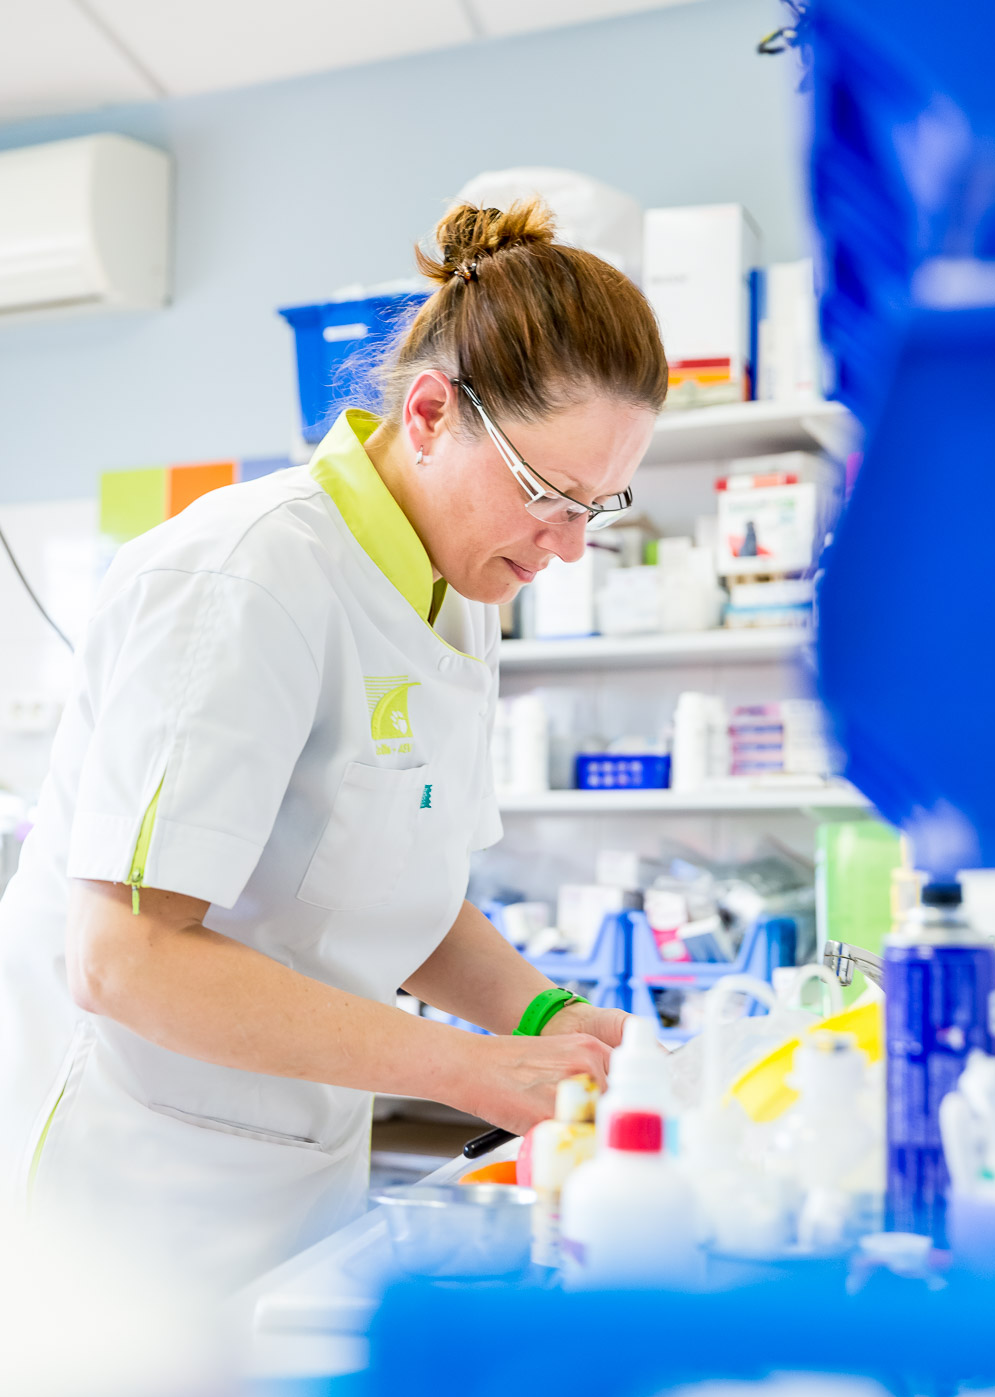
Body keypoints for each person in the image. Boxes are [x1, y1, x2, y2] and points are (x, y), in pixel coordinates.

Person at [0, 200, 669, 1288]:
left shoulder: (457, 591)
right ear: (426, 412)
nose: (568, 546)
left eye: (597, 506)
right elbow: (122, 957)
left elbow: (388, 886)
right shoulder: (243, 576)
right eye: (548, 495)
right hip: (124, 1186)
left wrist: (550, 1018)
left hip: (281, 1173)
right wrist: (475, 1070)